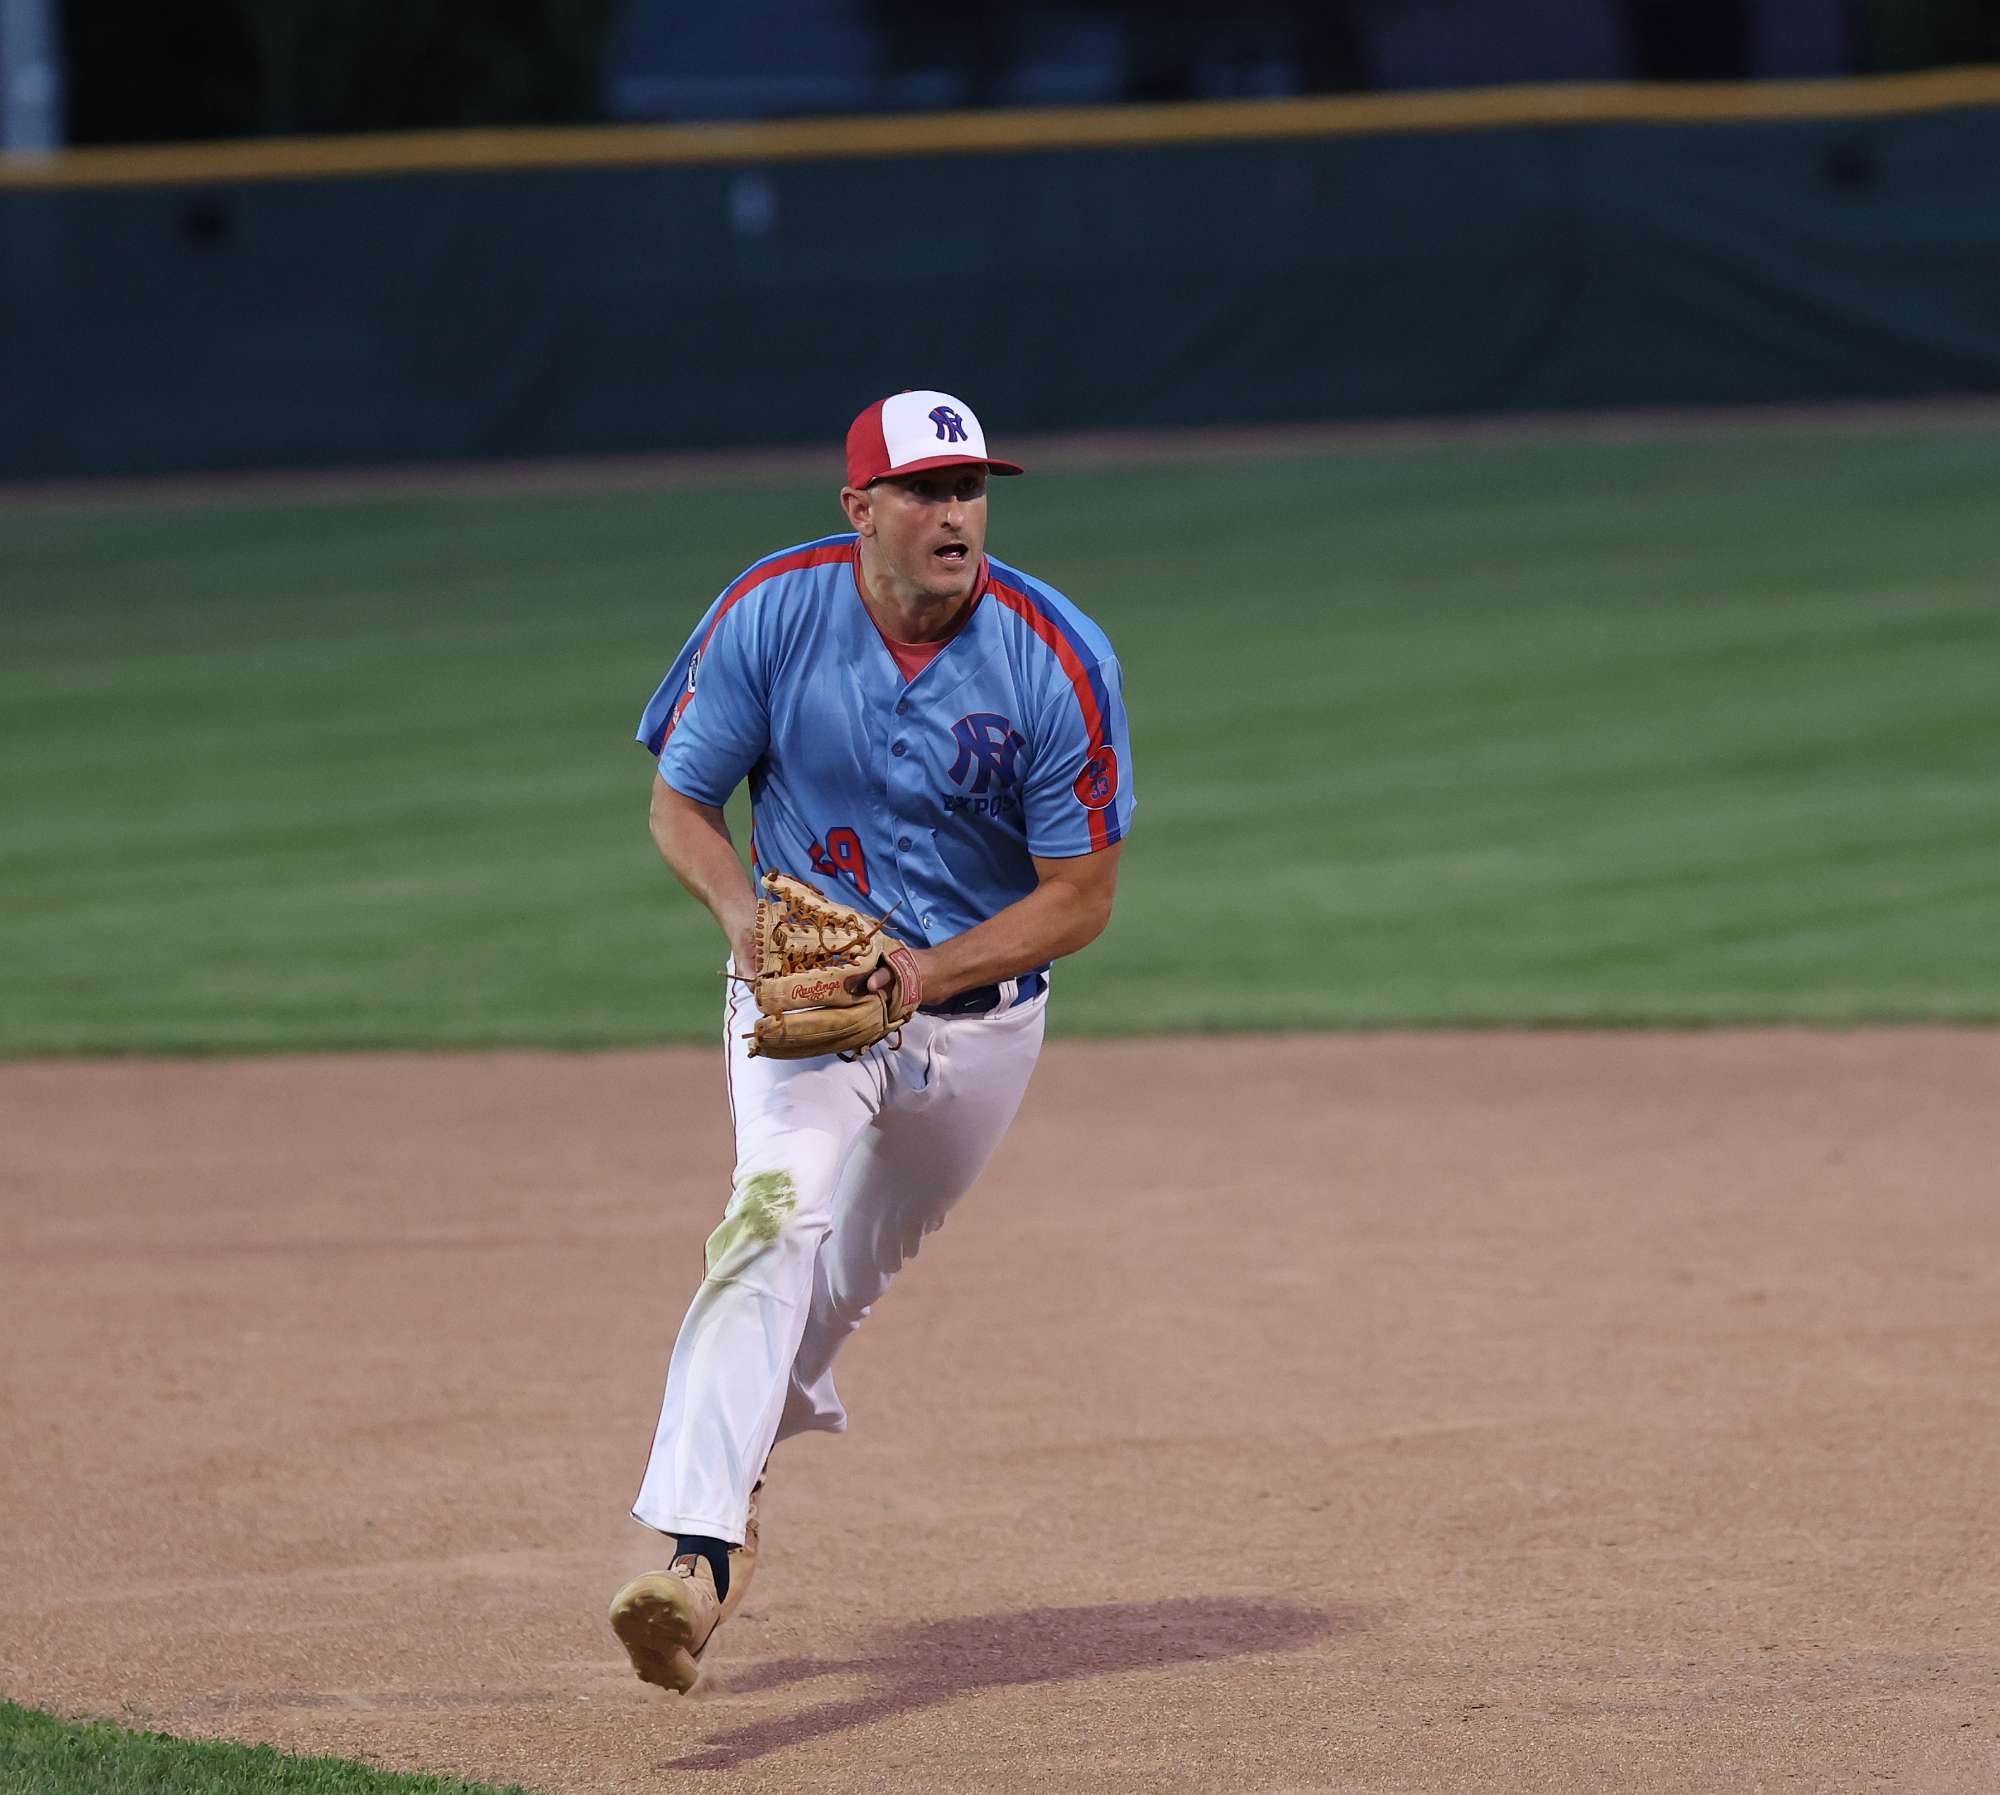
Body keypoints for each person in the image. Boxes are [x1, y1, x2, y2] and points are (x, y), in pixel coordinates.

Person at [608, 390, 1137, 1694]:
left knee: (834, 1288)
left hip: (982, 1028)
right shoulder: (773, 612)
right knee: (770, 1221)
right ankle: (697, 1557)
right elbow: (681, 802)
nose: (956, 513)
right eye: (925, 490)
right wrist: (743, 919)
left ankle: (735, 1481)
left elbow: (1081, 898)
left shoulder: (1057, 657)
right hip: (805, 1006)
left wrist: (927, 973)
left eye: (970, 488)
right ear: (860, 508)